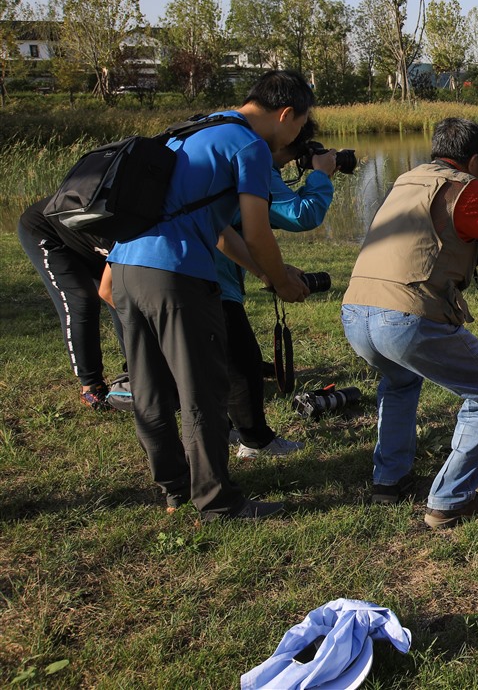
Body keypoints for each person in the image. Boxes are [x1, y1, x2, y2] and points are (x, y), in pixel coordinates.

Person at [106, 69, 314, 521]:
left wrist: (265, 273)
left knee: (150, 387)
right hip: (176, 274)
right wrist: (280, 281)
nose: (297, 134)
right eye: (300, 124)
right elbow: (257, 231)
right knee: (202, 388)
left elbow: (217, 229)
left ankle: (175, 488)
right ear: (285, 114)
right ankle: (217, 500)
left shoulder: (199, 127)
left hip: (124, 265)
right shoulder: (251, 147)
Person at [342, 117, 478, 528]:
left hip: (355, 311)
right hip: (404, 317)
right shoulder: (466, 188)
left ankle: (388, 480)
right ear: (476, 160)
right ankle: (450, 500)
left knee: (400, 382)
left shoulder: (407, 180)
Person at [216, 117, 337, 459]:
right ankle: (255, 441)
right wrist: (320, 174)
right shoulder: (255, 159)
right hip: (208, 275)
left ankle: (224, 429)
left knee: (213, 358)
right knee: (242, 360)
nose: (288, 160)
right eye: (296, 144)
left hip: (168, 265)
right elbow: (301, 214)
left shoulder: (219, 142)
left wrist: (270, 270)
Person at [18, 198, 127, 410]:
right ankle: (91, 387)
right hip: (48, 229)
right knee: (82, 302)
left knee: (123, 296)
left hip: (94, 241)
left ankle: (136, 373)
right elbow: (106, 293)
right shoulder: (134, 237)